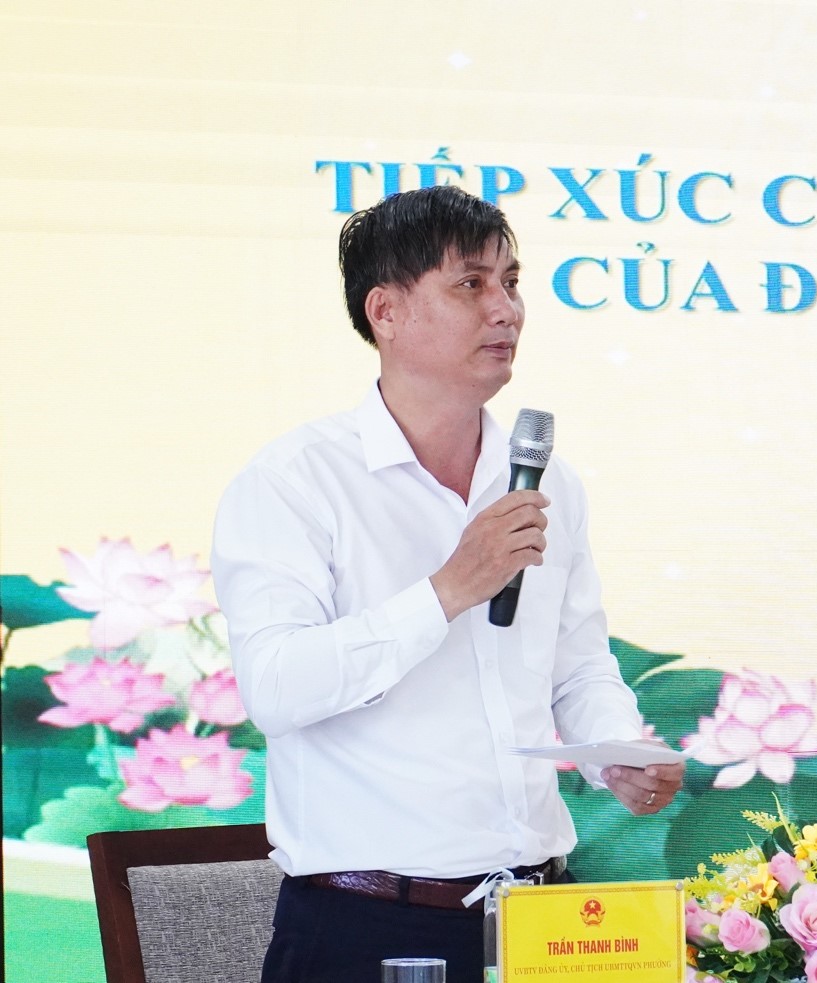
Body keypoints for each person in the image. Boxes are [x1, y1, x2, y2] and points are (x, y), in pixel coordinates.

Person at [211, 185, 684, 983]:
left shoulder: (547, 481)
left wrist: (617, 754)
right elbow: (278, 687)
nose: (506, 309)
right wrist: (447, 589)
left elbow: (577, 667)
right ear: (386, 311)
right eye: (471, 283)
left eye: (512, 281)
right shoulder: (295, 481)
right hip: (365, 927)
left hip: (543, 920)